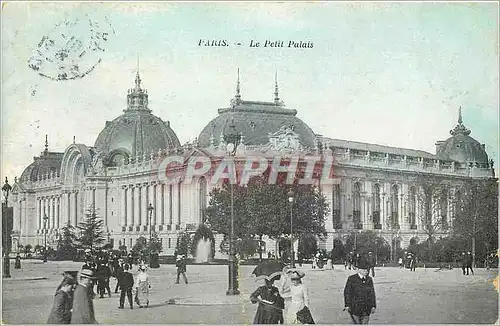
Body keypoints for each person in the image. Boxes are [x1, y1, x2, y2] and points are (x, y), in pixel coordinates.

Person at [343, 259, 376, 324]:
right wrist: (347, 305)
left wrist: (373, 305)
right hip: (354, 308)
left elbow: (372, 293)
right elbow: (347, 292)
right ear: (359, 270)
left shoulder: (369, 279)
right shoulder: (352, 279)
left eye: (367, 270)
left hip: (366, 309)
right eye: (364, 270)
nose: (366, 271)